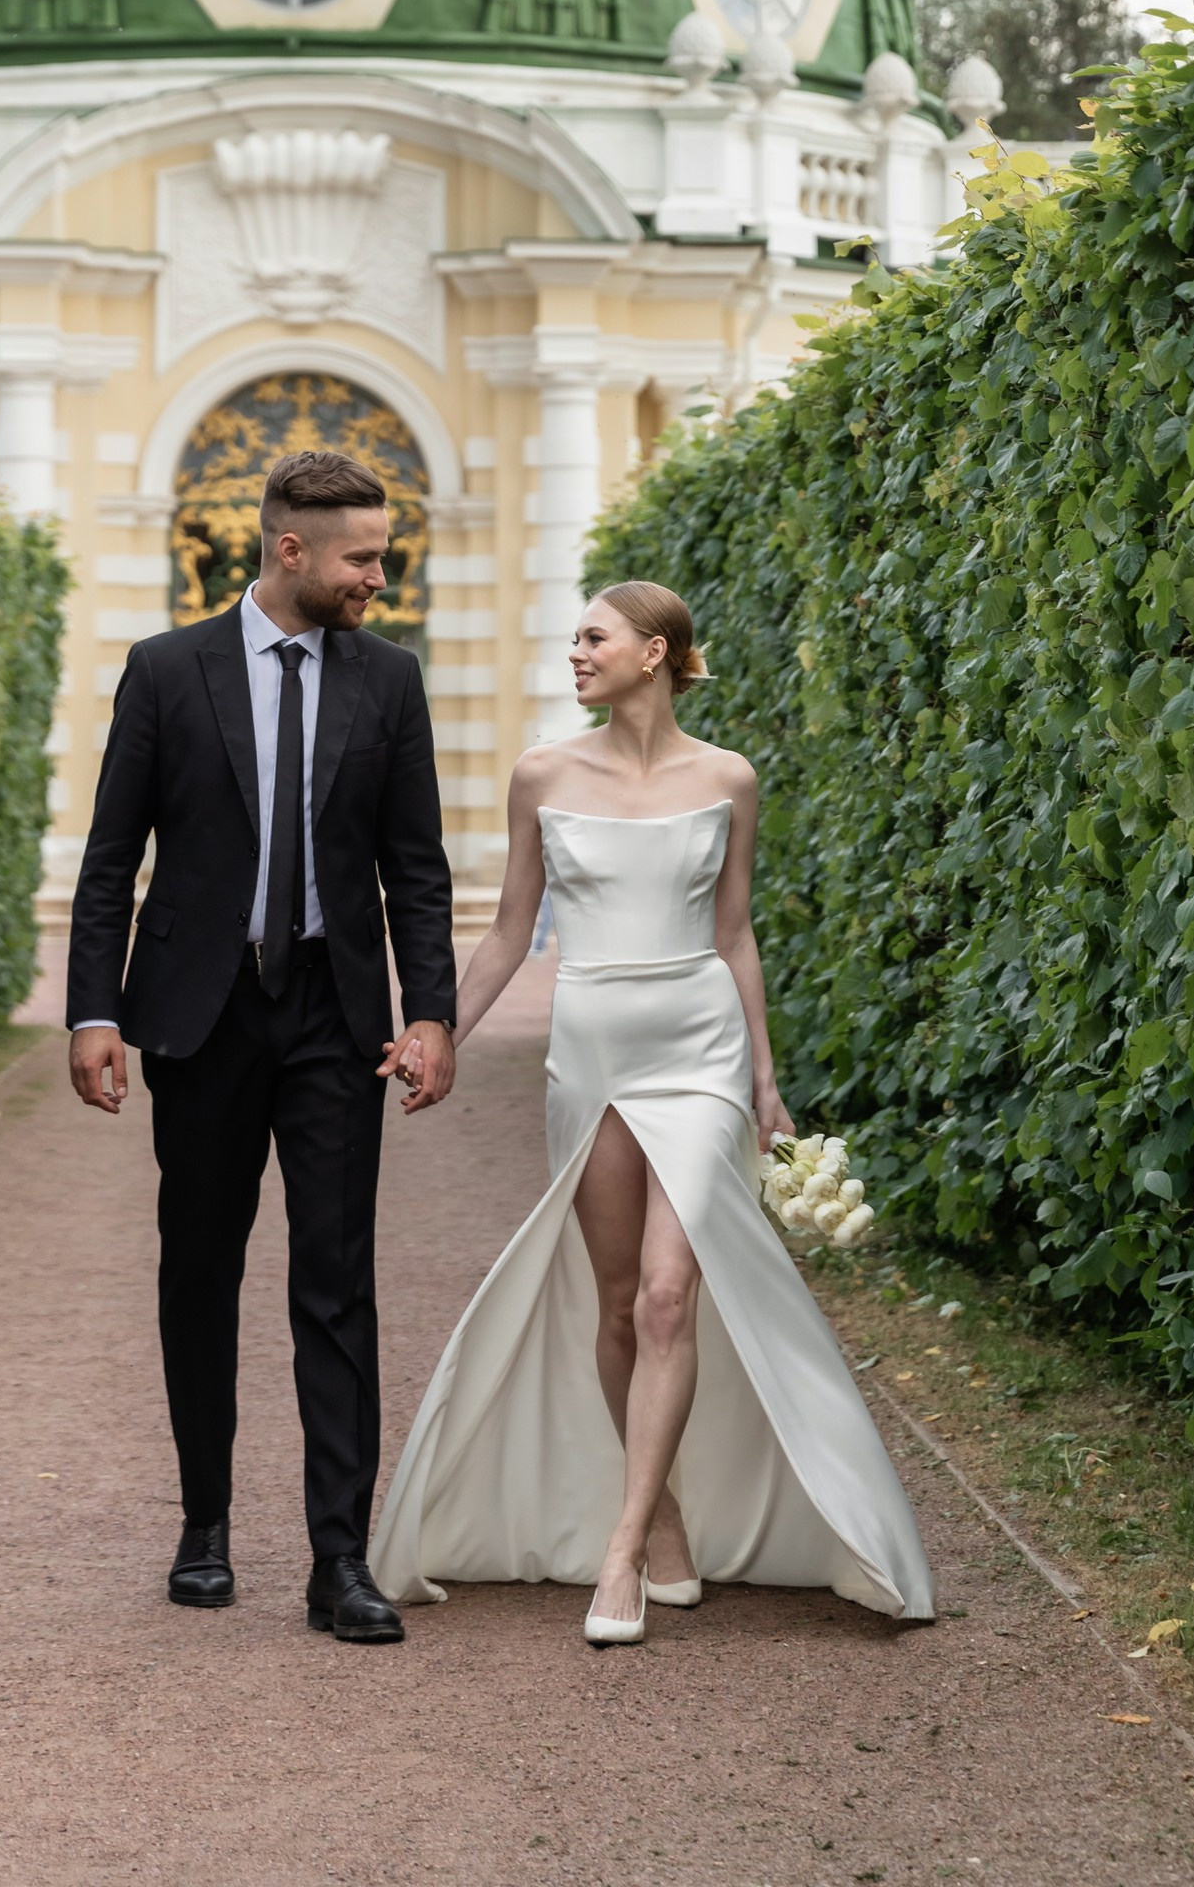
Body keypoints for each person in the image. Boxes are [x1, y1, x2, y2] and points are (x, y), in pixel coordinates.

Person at [370, 580, 932, 1644]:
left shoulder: (727, 777)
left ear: (655, 650)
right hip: (590, 1052)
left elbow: (734, 936)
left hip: (698, 1049)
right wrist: (433, 1026)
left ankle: (620, 1553)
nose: (573, 653)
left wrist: (761, 1082)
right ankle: (661, 1509)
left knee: (672, 1297)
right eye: (573, 638)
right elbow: (507, 933)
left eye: (592, 636)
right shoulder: (542, 773)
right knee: (620, 1301)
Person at [67, 448, 457, 1645]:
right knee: (200, 1271)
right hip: (199, 1012)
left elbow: (415, 868)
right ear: (289, 549)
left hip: (335, 1022)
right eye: (360, 557)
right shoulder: (166, 669)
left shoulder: (388, 680)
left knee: (336, 1287)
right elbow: (107, 859)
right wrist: (94, 1011)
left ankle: (339, 1560)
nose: (376, 577)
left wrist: (429, 1013)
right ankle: (204, 1526)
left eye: (380, 555)